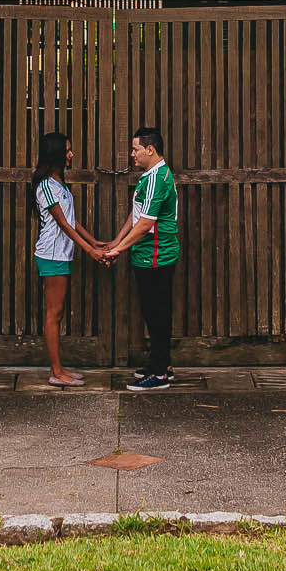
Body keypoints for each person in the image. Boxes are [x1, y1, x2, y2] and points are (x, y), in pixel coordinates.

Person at [103, 126, 180, 390]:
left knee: (158, 314)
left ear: (150, 149)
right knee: (151, 312)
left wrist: (118, 250)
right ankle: (163, 364)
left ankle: (159, 374)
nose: (132, 154)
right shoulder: (149, 176)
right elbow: (135, 216)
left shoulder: (159, 178)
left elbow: (146, 223)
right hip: (145, 255)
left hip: (157, 255)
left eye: (136, 149)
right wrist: (116, 243)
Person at [31, 131, 106, 388]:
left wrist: (94, 241)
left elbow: (72, 220)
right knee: (54, 314)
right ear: (56, 154)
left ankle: (60, 368)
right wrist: (91, 251)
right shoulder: (45, 186)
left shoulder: (58, 183)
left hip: (61, 254)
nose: (71, 154)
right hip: (51, 255)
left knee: (57, 312)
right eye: (68, 150)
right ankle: (56, 371)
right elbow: (63, 225)